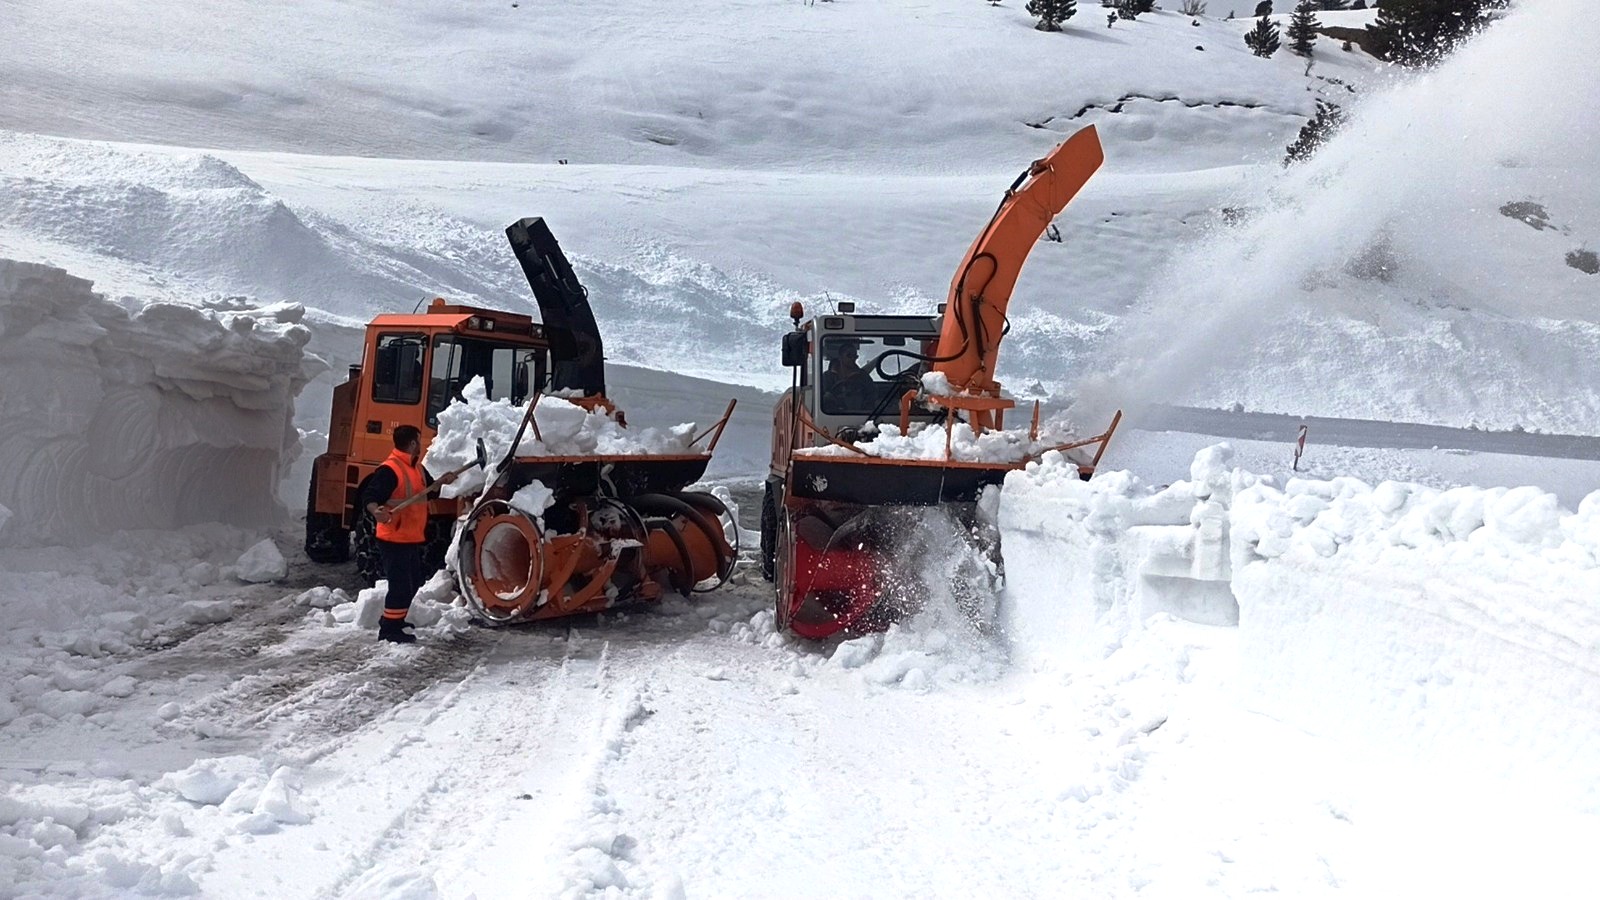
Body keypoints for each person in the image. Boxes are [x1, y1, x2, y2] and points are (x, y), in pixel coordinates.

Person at [361, 425, 454, 644]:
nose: (420, 445)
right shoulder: (390, 470)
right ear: (413, 443)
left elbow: (429, 491)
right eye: (419, 441)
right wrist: (376, 511)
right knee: (400, 586)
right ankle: (389, 629)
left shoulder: (417, 469)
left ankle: (395, 619)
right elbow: (370, 496)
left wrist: (443, 481)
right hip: (393, 538)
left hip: (410, 537)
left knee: (413, 582)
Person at [822, 339, 878, 411]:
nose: (853, 358)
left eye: (855, 356)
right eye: (849, 355)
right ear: (840, 357)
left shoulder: (863, 376)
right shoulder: (827, 376)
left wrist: (865, 407)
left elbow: (872, 395)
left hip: (859, 414)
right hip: (832, 415)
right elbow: (821, 396)